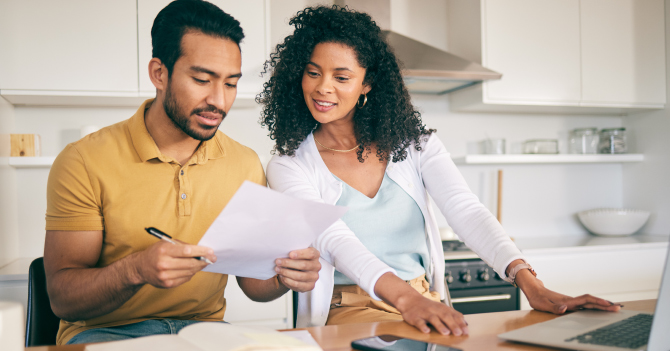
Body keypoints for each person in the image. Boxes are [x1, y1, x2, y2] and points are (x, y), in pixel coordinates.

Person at [258, 5, 620, 336]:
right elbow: (334, 241)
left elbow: (467, 211)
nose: (323, 87)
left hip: (424, 300)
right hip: (350, 311)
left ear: (366, 84)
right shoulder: (289, 164)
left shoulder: (416, 145)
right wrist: (405, 300)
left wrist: (531, 286)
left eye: (341, 77)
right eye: (313, 73)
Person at [44, 0, 320, 345]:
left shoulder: (244, 163)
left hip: (205, 332)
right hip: (105, 334)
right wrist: (135, 270)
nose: (219, 101)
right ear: (159, 73)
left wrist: (286, 276)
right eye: (202, 79)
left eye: (231, 84)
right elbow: (62, 299)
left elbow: (253, 285)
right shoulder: (83, 160)